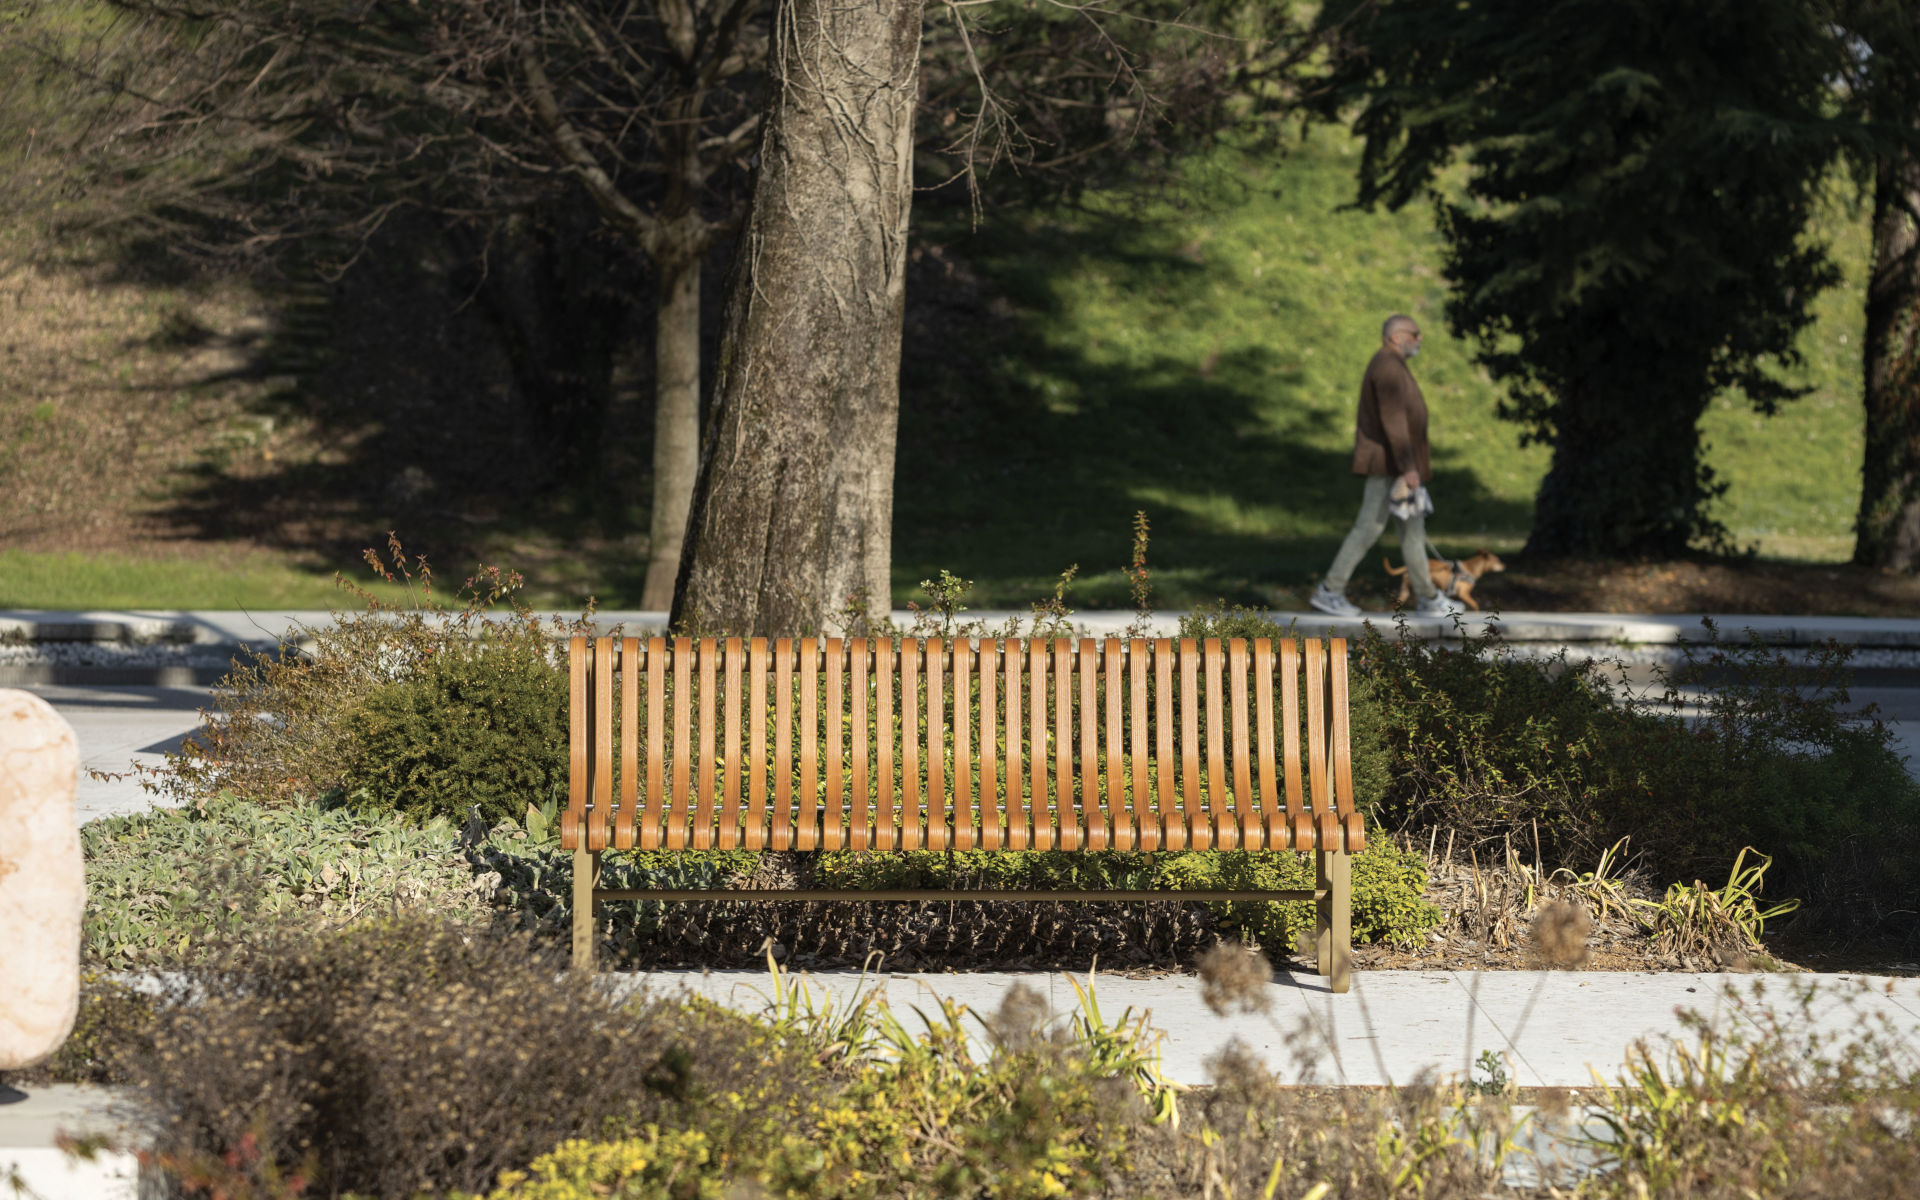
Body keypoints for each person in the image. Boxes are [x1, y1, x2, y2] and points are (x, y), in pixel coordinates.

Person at [1309, 314, 1463, 618]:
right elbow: (1394, 421)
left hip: (1398, 466)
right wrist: (1408, 467)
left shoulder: (1393, 365)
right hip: (1388, 466)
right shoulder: (1387, 367)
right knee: (1369, 527)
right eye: (1415, 333)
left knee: (1413, 532)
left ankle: (1428, 597)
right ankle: (1330, 590)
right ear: (1396, 337)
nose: (1420, 339)